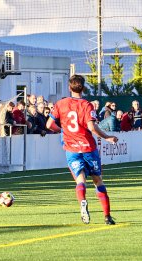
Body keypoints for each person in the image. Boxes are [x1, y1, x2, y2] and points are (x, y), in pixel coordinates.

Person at [46, 74, 118, 225]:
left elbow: (49, 125)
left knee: (80, 180)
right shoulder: (86, 105)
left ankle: (83, 202)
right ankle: (107, 216)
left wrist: (63, 130)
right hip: (88, 148)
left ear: (69, 87)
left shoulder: (61, 104)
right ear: (83, 88)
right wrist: (107, 137)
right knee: (98, 181)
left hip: (71, 148)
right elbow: (92, 127)